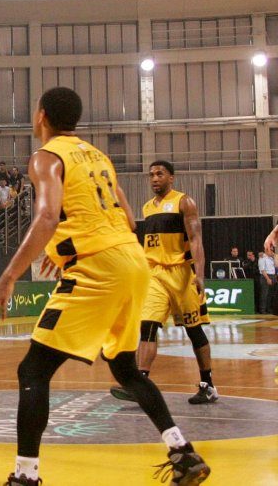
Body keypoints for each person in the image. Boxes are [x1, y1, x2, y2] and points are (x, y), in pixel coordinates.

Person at [0, 89, 208, 486]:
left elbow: (48, 216)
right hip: (134, 261)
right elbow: (128, 220)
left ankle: (25, 477)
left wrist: (8, 277)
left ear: (41, 116)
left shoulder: (46, 156)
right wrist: (65, 246)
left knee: (33, 370)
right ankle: (183, 452)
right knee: (125, 369)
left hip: (99, 266)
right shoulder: (98, 157)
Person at [109, 161, 218, 405]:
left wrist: (200, 274)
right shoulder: (148, 207)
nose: (154, 178)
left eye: (160, 174)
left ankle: (208, 385)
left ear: (171, 178)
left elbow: (196, 239)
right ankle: (140, 385)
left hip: (181, 274)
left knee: (194, 330)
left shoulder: (184, 202)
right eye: (151, 175)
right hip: (155, 275)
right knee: (147, 326)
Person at [258, 250, 275, 315]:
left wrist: (274, 256)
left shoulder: (272, 258)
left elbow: (275, 266)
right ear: (267, 251)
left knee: (270, 294)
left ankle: (268, 309)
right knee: (264, 294)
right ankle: (262, 309)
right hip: (266, 276)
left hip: (272, 275)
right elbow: (262, 270)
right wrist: (267, 278)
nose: (272, 252)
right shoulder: (262, 257)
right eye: (271, 251)